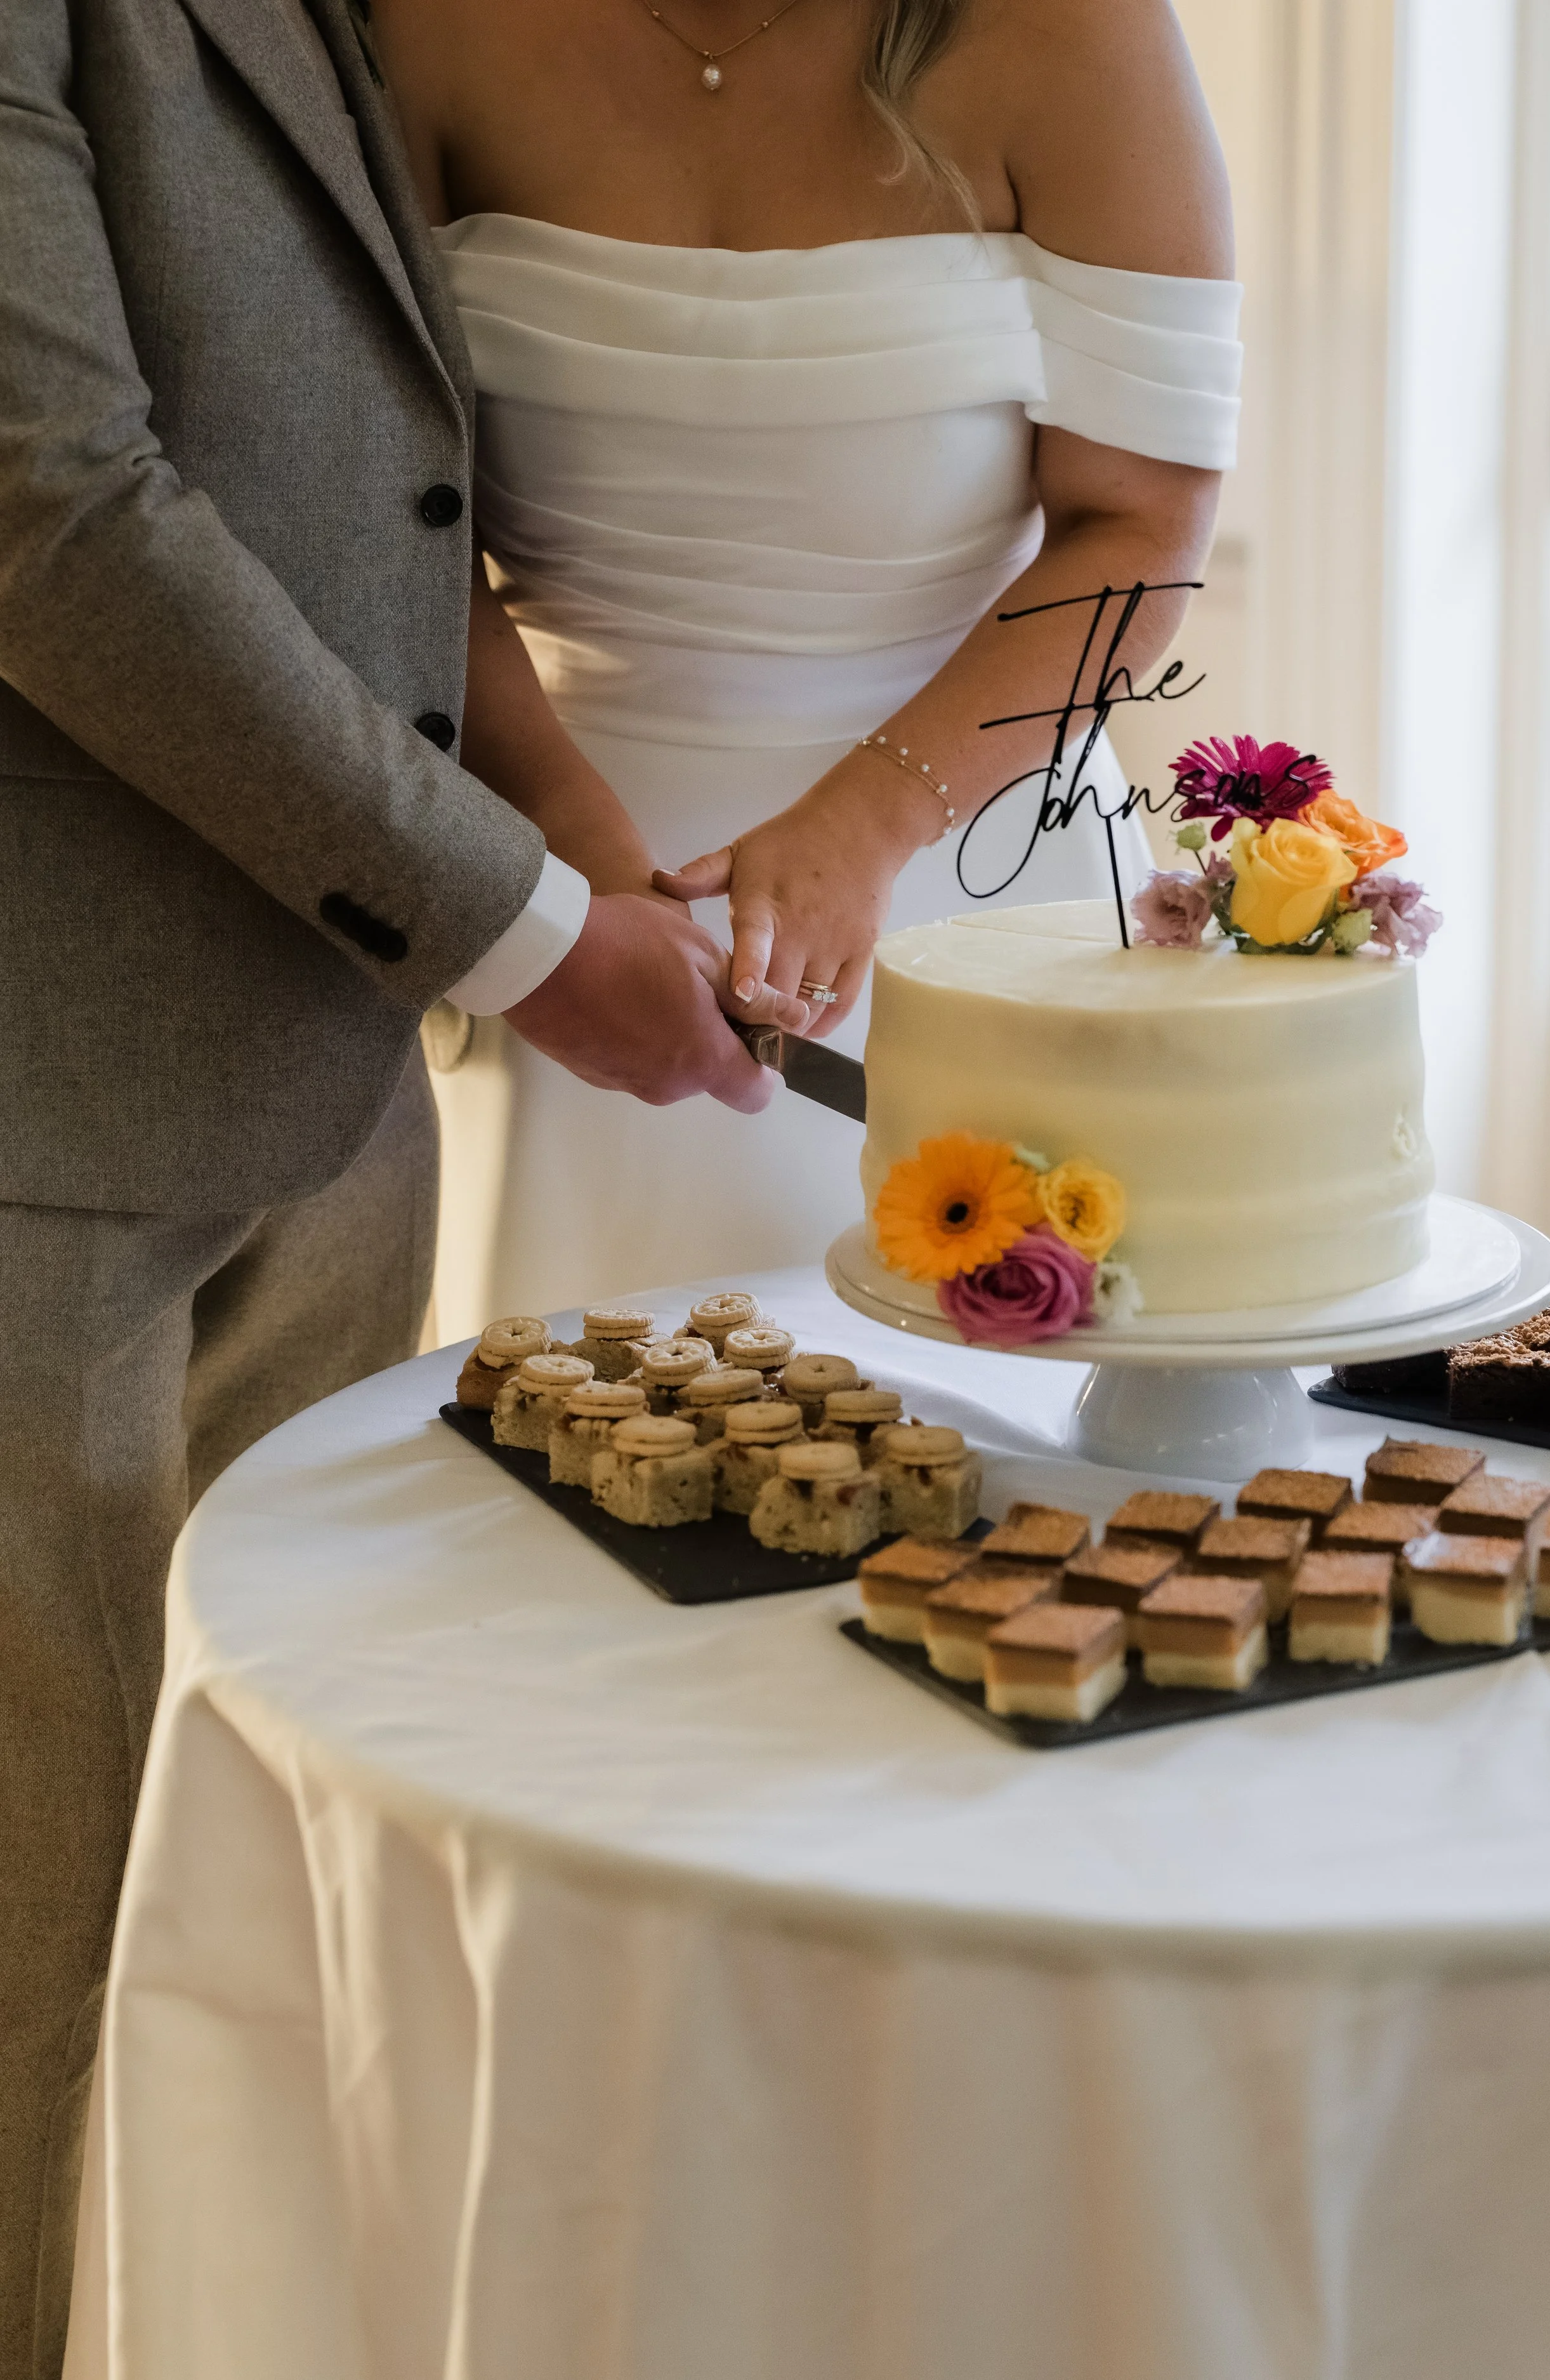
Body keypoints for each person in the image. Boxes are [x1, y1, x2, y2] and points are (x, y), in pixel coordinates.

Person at [0, 0, 805, 2362]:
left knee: (248, 1952)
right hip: (44, 1121)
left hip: (331, 1105)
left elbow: (368, 475)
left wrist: (536, 879)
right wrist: (530, 930)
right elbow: (53, 499)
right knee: (45, 1950)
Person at [377, 0, 1242, 1314]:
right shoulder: (429, 29)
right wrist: (570, 848)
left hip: (975, 841)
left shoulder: (1073, 29)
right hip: (578, 897)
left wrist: (872, 817)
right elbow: (383, 516)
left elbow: (1139, 527)